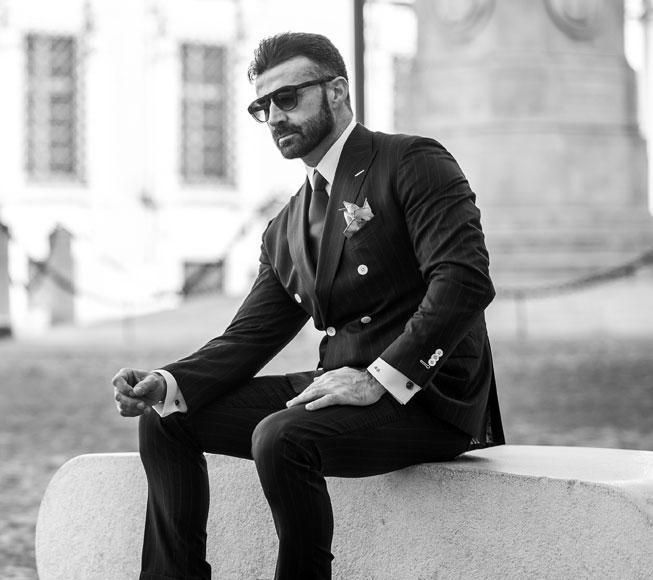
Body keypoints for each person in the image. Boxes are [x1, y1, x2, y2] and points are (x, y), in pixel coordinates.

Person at [112, 31, 504, 580]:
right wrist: (167, 381)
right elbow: (248, 339)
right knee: (169, 418)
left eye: (288, 98)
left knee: (281, 437)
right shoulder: (286, 226)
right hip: (336, 386)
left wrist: (378, 378)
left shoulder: (412, 161)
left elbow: (464, 280)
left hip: (426, 397)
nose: (274, 116)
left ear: (337, 91)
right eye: (262, 107)